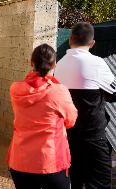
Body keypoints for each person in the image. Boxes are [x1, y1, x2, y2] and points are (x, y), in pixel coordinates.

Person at [7, 44, 77, 189]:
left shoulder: (16, 88)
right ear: (54, 64)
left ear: (31, 63)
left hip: (20, 161)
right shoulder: (59, 91)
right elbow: (71, 121)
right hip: (51, 162)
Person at [54, 22, 115, 189]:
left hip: (68, 137)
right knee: (100, 184)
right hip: (93, 138)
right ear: (92, 43)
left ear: (70, 40)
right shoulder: (96, 63)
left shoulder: (59, 66)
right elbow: (114, 91)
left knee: (74, 182)